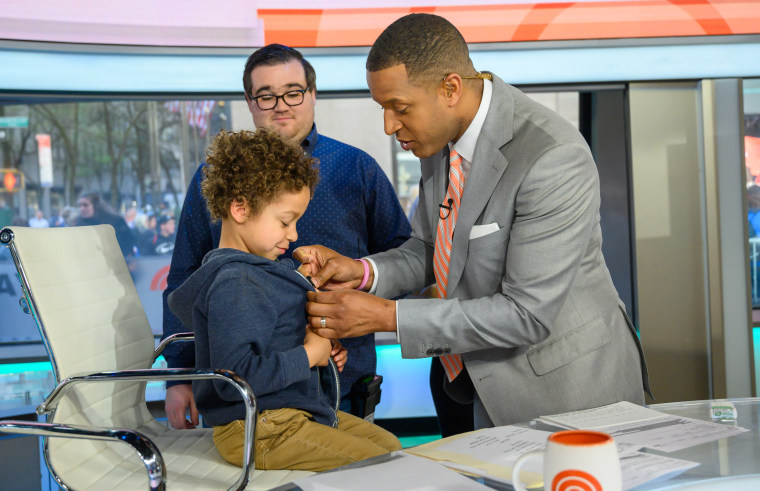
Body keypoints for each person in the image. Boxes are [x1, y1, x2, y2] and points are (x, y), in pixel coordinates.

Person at [297, 13, 651, 429]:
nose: (390, 125)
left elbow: (528, 314)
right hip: (465, 385)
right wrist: (362, 272)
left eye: (400, 108)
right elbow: (434, 248)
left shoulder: (552, 156)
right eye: (383, 108)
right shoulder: (437, 141)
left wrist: (386, 316)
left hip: (567, 395)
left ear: (450, 88)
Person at [161, 43, 411, 430]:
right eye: (266, 95)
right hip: (247, 403)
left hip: (343, 381)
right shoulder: (215, 180)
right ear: (249, 102)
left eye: (293, 91)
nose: (281, 104)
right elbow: (184, 276)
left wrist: (351, 314)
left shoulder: (357, 169)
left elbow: (402, 260)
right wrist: (178, 375)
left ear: (312, 93)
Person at [167, 128, 401, 470]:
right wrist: (307, 355)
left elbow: (272, 335)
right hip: (256, 429)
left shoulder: (260, 273)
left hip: (292, 415)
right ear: (240, 209)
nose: (293, 236)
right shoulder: (234, 283)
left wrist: (320, 348)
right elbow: (236, 380)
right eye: (285, 222)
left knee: (393, 448)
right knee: (384, 465)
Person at [75, 191, 135, 258]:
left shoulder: (115, 221)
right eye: (79, 206)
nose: (82, 209)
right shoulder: (79, 224)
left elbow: (128, 242)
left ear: (95, 205)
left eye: (85, 205)